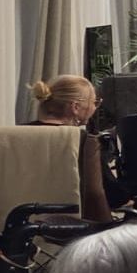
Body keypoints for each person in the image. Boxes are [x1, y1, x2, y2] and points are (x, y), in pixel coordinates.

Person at [26, 76, 113, 222]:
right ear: (75, 107)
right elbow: (113, 195)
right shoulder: (84, 142)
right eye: (94, 103)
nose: (95, 108)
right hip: (71, 225)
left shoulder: (14, 136)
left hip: (19, 223)